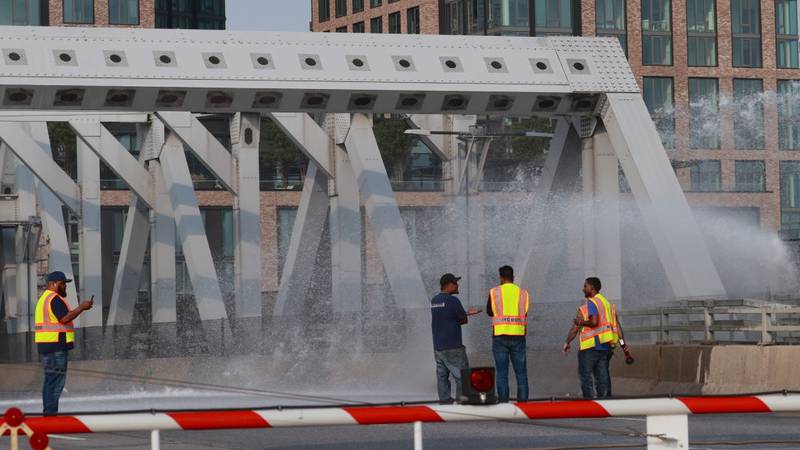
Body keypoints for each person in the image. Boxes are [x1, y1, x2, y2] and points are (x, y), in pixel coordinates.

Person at [35, 271, 94, 416]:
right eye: (62, 284)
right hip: (56, 346)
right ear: (53, 284)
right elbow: (64, 318)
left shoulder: (43, 299)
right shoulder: (54, 299)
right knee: (57, 381)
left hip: (46, 345)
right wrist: (82, 307)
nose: (64, 287)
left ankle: (48, 412)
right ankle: (50, 414)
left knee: (50, 379)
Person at [562, 277, 620, 399]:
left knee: (586, 375)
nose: (583, 289)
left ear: (592, 288)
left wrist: (567, 341)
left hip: (590, 346)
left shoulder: (590, 304)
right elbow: (615, 323)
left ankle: (589, 403)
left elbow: (592, 323)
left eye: (585, 286)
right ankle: (604, 403)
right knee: (602, 376)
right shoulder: (606, 303)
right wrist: (622, 344)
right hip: (605, 344)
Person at [431, 273, 481, 404]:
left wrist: (464, 314)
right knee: (462, 375)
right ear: (448, 285)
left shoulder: (434, 300)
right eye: (455, 283)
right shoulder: (453, 300)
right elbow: (463, 320)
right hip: (453, 345)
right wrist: (466, 314)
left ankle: (445, 400)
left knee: (442, 376)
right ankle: (462, 401)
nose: (457, 285)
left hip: (438, 346)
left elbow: (445, 317)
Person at [486, 265, 530, 403]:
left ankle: (504, 404)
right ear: (513, 277)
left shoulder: (494, 292)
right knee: (521, 373)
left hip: (500, 336)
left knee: (502, 374)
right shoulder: (523, 293)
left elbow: (489, 311)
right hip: (518, 335)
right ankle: (523, 404)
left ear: (501, 277)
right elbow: (525, 312)